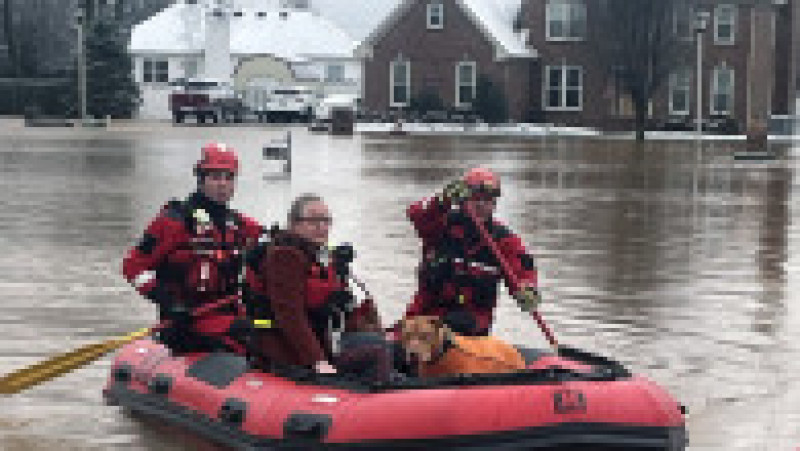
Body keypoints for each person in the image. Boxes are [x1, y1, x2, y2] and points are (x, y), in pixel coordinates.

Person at [122, 142, 263, 354]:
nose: (222, 184)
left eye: (229, 177)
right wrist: (169, 303)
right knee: (244, 335)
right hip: (186, 322)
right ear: (201, 179)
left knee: (269, 326)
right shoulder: (174, 222)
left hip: (228, 314)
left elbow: (277, 243)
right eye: (215, 177)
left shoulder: (239, 225)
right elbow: (133, 268)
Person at [245, 194, 388, 379]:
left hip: (324, 340)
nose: (322, 227)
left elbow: (333, 310)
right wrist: (317, 360)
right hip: (289, 351)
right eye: (313, 221)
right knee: (378, 351)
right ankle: (386, 395)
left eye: (326, 221)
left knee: (387, 345)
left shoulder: (319, 255)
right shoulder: (285, 258)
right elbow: (290, 316)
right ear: (294, 224)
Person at [397, 167, 542, 336]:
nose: (481, 205)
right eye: (476, 199)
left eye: (488, 200)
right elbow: (416, 213)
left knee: (459, 328)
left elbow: (524, 269)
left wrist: (527, 289)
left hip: (472, 329)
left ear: (494, 204)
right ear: (464, 200)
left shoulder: (504, 240)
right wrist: (443, 199)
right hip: (423, 321)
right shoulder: (440, 225)